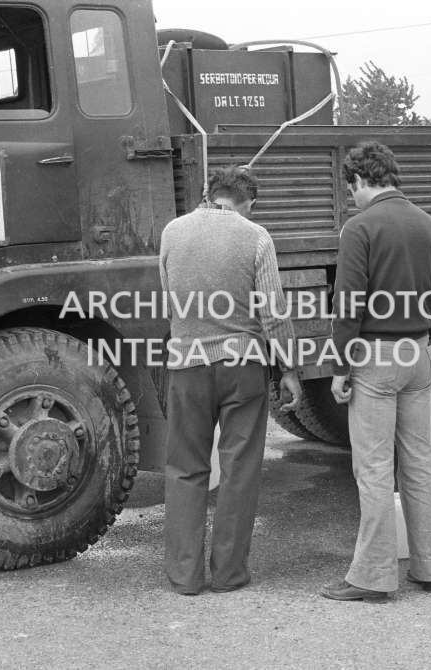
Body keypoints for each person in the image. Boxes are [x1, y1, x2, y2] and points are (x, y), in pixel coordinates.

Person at [159, 166, 302, 596]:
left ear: (210, 194)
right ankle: (228, 574)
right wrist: (289, 368)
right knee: (239, 469)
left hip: (187, 364)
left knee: (185, 468)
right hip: (243, 366)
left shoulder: (172, 232)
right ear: (247, 201)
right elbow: (273, 312)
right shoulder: (256, 236)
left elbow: (169, 297)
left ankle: (185, 576)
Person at [320, 141, 431, 602]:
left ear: (359, 180)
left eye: (350, 189)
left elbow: (349, 302)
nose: (351, 198)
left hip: (376, 356)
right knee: (419, 461)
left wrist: (340, 365)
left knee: (374, 468)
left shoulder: (360, 227)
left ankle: (372, 577)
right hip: (419, 351)